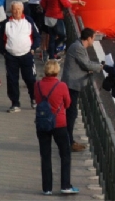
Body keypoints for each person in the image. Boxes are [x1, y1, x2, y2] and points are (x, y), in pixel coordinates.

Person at [34, 59, 79, 195]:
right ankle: (65, 185)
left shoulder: (38, 85)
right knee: (65, 154)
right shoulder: (62, 86)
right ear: (57, 71)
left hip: (42, 123)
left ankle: (47, 188)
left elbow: (37, 100)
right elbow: (68, 103)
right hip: (59, 123)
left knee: (45, 155)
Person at [61, 27, 103, 151]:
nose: (93, 40)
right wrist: (101, 67)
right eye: (93, 38)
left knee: (71, 113)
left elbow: (85, 63)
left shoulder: (79, 46)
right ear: (89, 38)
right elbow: (86, 64)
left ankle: (69, 140)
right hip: (72, 85)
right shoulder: (78, 47)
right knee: (71, 114)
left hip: (74, 84)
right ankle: (68, 141)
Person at [0, 1, 41, 113]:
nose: (16, 11)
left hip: (27, 55)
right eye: (14, 9)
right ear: (11, 10)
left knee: (30, 79)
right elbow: (0, 39)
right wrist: (4, 51)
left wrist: (33, 48)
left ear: (22, 10)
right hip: (11, 57)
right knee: (12, 80)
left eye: (18, 9)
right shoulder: (6, 23)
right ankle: (15, 103)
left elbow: (37, 36)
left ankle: (34, 98)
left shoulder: (29, 21)